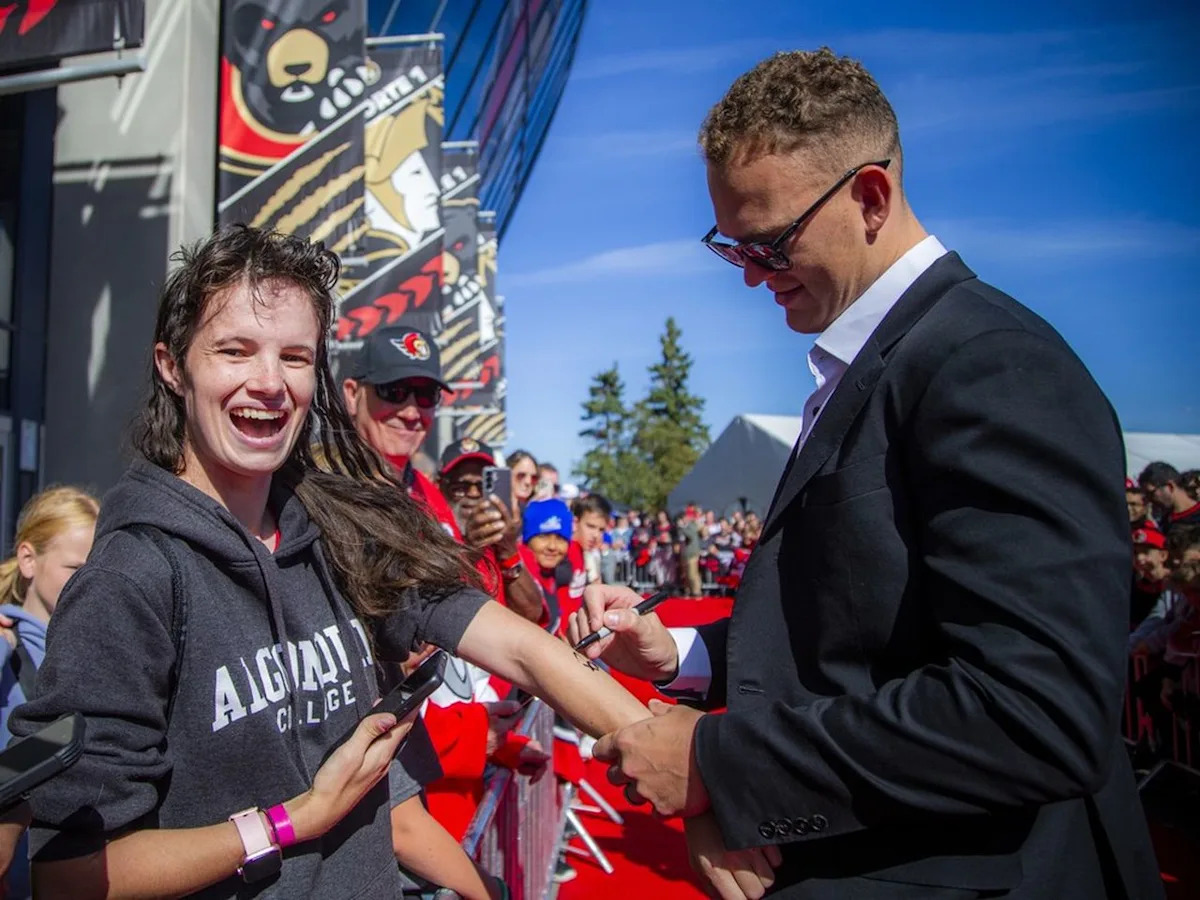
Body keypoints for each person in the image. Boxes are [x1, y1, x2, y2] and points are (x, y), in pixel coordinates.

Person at [570, 48, 1161, 900]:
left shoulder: (989, 365)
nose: (747, 275)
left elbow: (1036, 713)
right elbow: (866, 632)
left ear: (871, 197)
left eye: (769, 244)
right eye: (728, 246)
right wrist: (684, 652)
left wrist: (717, 760)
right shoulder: (886, 363)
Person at [10, 226, 650, 900]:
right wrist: (293, 820)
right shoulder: (130, 577)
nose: (269, 383)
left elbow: (518, 648)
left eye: (294, 356)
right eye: (234, 351)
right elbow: (69, 876)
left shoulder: (339, 531)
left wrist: (678, 755)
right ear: (173, 367)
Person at [0, 486, 99, 899]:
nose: (89, 583)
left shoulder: (96, 650)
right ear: (28, 559)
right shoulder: (6, 647)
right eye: (74, 568)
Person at [1138, 460, 1200, 534]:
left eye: (1151, 493)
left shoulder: (1196, 519)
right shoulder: (1165, 522)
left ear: (1170, 486)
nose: (1148, 499)